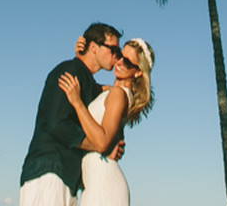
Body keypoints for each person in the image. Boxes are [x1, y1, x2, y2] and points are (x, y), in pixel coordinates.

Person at [20, 22, 123, 206]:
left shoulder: (87, 82)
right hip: (49, 172)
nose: (117, 56)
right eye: (113, 49)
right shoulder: (69, 71)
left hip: (65, 178)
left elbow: (108, 94)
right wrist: (101, 146)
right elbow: (57, 124)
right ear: (93, 47)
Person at [58, 37, 155, 206]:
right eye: (119, 55)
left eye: (127, 62)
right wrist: (80, 56)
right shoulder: (114, 93)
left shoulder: (119, 95)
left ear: (138, 72)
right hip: (94, 181)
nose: (119, 62)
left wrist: (77, 103)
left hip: (104, 184)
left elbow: (102, 143)